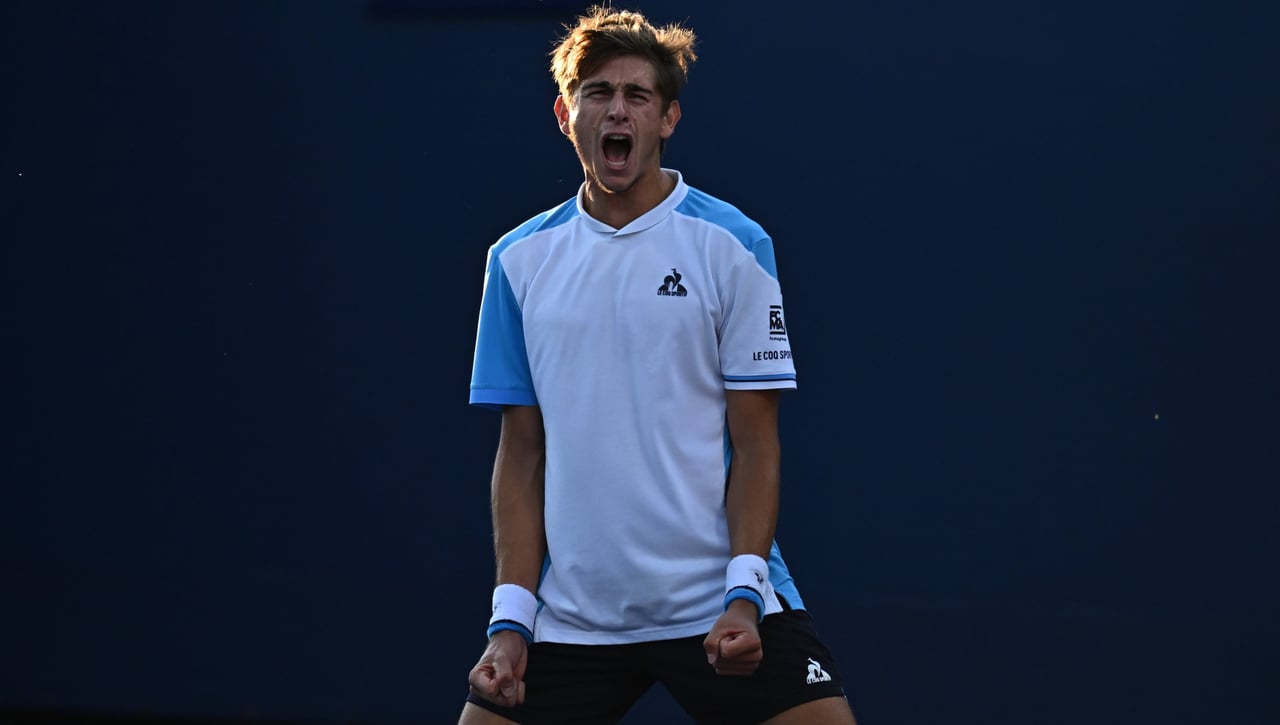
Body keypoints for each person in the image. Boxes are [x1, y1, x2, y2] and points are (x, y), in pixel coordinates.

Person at [459, 6, 857, 724]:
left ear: (667, 118)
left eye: (637, 95)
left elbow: (756, 444)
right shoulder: (515, 262)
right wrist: (509, 623)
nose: (618, 110)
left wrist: (743, 592)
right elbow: (520, 454)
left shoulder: (734, 245)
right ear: (565, 114)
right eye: (598, 93)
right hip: (571, 617)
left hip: (717, 602)